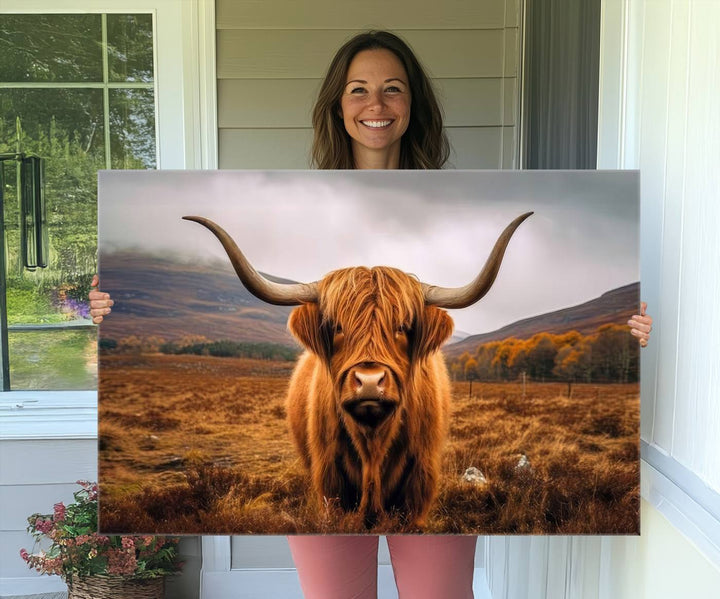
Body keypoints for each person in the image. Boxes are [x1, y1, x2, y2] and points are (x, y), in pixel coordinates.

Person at [89, 30, 653, 599]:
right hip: (324, 423)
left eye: (393, 89)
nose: (376, 105)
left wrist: (635, 332)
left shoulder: (463, 195)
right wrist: (107, 308)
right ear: (338, 104)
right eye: (358, 90)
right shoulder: (293, 197)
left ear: (413, 105)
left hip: (415, 423)